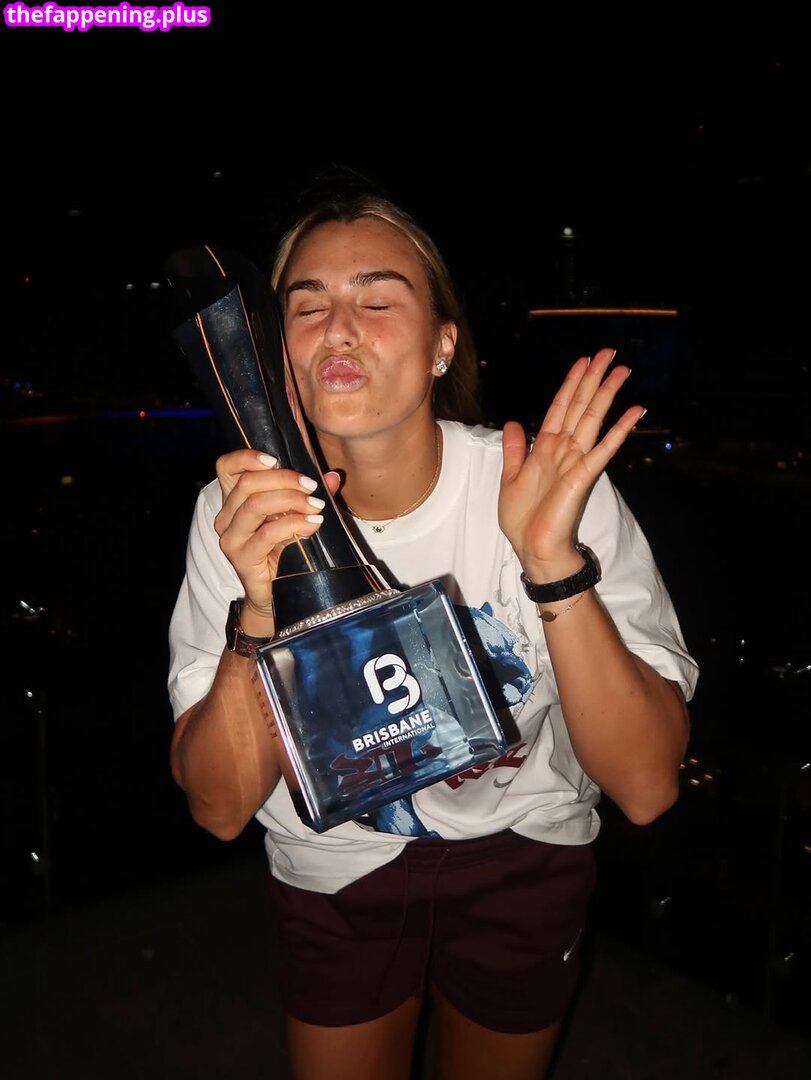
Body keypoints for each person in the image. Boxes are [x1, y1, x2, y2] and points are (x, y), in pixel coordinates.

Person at [167, 186, 699, 1080]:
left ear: (442, 342)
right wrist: (255, 609)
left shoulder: (547, 487)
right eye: (307, 307)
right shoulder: (239, 514)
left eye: (377, 300)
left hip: (524, 848)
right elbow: (218, 808)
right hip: (337, 865)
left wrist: (549, 561)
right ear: (273, 351)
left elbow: (646, 787)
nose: (340, 330)